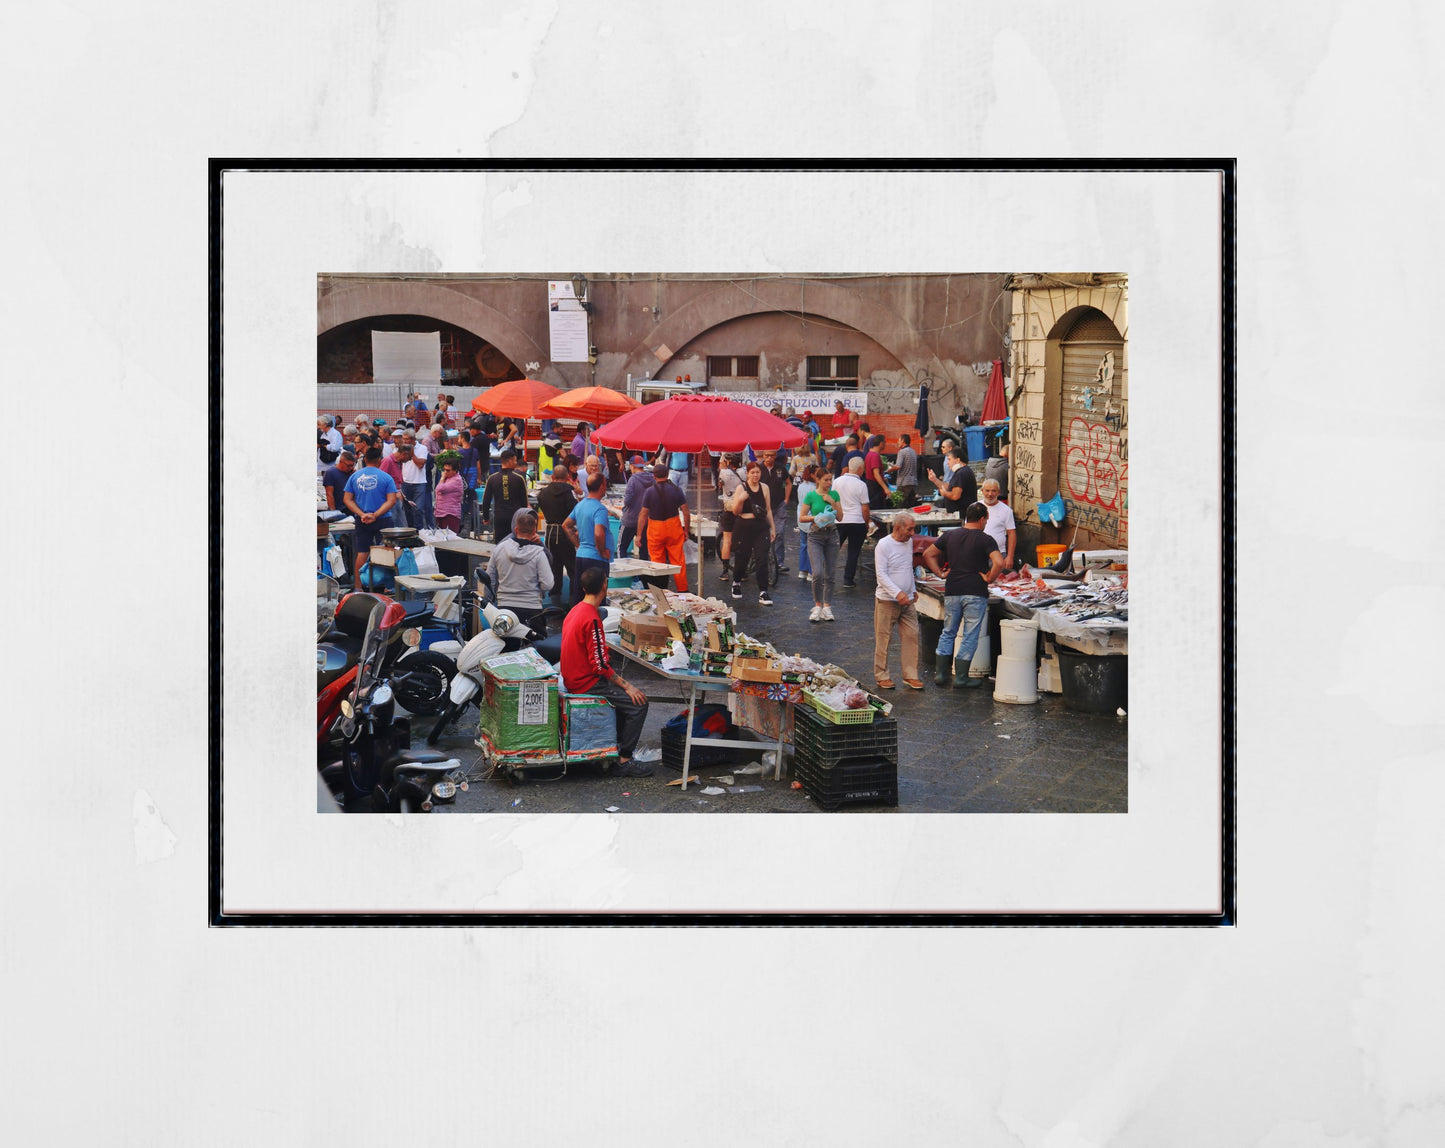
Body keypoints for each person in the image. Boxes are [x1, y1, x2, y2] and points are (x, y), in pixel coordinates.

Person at [560, 565, 652, 777]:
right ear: (604, 585)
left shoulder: (575, 610)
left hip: (573, 677)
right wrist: (628, 686)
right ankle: (624, 760)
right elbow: (600, 665)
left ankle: (614, 749)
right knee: (639, 703)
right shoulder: (592, 618)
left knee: (623, 698)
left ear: (583, 588)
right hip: (585, 683)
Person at [922, 501, 1006, 687]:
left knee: (948, 631)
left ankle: (941, 675)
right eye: (986, 520)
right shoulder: (986, 539)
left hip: (953, 589)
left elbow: (928, 554)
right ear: (982, 519)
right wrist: (990, 578)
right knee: (970, 634)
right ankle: (961, 677)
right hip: (976, 591)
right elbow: (999, 562)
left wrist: (940, 573)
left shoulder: (950, 535)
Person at [872, 512, 924, 690]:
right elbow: (881, 574)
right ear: (897, 528)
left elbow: (907, 567)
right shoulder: (884, 545)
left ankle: (910, 675)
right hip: (887, 600)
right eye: (909, 529)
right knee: (883, 638)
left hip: (907, 599)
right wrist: (897, 593)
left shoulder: (908, 542)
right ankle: (882, 675)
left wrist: (913, 589)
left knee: (912, 635)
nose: (912, 532)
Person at [485, 509, 555, 636]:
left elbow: (490, 578)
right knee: (537, 648)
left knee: (506, 648)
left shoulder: (500, 548)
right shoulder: (539, 553)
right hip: (532, 610)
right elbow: (548, 584)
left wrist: (491, 600)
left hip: (505, 608)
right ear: (534, 531)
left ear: (516, 529)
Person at [638, 462, 691, 592]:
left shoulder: (649, 492)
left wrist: (639, 535)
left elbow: (643, 515)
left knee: (657, 561)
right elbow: (686, 511)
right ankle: (683, 591)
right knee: (678, 560)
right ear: (667, 475)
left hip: (655, 529)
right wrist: (686, 530)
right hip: (673, 527)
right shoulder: (677, 490)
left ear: (654, 476)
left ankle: (661, 590)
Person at [728, 459, 775, 605]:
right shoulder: (741, 488)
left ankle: (763, 591)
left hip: (761, 526)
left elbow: (768, 509)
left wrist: (772, 527)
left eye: (758, 472)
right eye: (753, 472)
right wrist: (741, 500)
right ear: (747, 474)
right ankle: (736, 582)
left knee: (762, 558)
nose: (755, 475)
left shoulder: (765, 488)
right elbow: (735, 511)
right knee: (743, 557)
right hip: (744, 526)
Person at [342, 446, 400, 562]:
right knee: (386, 552)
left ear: (365, 460)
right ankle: (383, 580)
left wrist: (362, 514)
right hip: (383, 519)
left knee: (362, 553)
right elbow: (391, 500)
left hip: (362, 519)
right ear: (379, 460)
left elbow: (347, 499)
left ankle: (359, 581)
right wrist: (375, 515)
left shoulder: (354, 476)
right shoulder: (386, 478)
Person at [563, 472, 612, 606]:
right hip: (596, 559)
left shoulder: (580, 505)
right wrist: (602, 551)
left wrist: (579, 545)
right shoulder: (599, 509)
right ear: (602, 487)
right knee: (597, 600)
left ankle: (578, 624)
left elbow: (566, 526)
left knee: (580, 597)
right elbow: (598, 533)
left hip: (581, 556)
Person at [799, 468, 841, 621]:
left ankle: (827, 607)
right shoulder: (811, 495)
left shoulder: (834, 494)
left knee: (830, 574)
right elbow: (802, 517)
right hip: (815, 535)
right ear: (818, 480)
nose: (829, 483)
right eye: (826, 480)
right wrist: (816, 517)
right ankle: (817, 606)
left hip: (832, 535)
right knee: (817, 573)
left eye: (831, 479)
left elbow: (841, 517)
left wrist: (832, 503)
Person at [537, 461, 579, 605]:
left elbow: (539, 502)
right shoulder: (569, 492)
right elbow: (576, 510)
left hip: (549, 533)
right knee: (572, 567)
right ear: (567, 477)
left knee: (554, 566)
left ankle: (555, 597)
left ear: (553, 477)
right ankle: (573, 599)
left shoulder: (543, 492)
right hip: (566, 533)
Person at [833, 456, 871, 588]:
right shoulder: (861, 485)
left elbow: (833, 501)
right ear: (860, 469)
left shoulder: (836, 481)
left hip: (839, 520)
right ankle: (848, 580)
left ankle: (827, 576)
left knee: (833, 549)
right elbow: (865, 507)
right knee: (853, 552)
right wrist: (866, 523)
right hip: (856, 521)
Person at [481, 448, 530, 543]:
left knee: (500, 544)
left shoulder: (492, 478)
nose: (516, 463)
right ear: (510, 460)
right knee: (516, 544)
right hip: (516, 518)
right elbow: (524, 502)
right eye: (515, 460)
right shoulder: (519, 478)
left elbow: (486, 500)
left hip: (500, 517)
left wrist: (486, 518)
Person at [760, 449, 791, 573]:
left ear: (775, 456)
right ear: (763, 456)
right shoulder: (759, 469)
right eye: (767, 455)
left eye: (772, 456)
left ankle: (779, 561)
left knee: (779, 533)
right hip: (763, 507)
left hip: (779, 505)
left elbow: (788, 483)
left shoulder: (780, 468)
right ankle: (764, 559)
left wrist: (786, 499)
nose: (769, 458)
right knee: (764, 534)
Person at [715, 452, 744, 582]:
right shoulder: (745, 471)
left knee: (727, 540)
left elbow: (720, 484)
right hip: (742, 510)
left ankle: (725, 572)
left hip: (728, 509)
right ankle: (742, 572)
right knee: (742, 541)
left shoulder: (724, 473)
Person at [396, 429, 432, 529]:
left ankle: (419, 531)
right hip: (405, 482)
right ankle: (409, 530)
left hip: (419, 483)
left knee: (418, 509)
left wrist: (412, 454)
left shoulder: (422, 448)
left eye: (407, 439)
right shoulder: (401, 448)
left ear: (413, 439)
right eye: (404, 439)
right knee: (406, 509)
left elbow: (420, 464)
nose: (405, 441)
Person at [618, 455, 652, 559]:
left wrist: (624, 506)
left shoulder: (632, 480)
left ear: (632, 466)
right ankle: (643, 575)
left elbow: (628, 500)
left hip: (630, 519)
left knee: (622, 547)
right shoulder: (652, 479)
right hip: (645, 521)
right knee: (644, 551)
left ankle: (623, 572)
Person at [980, 479, 1017, 569]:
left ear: (998, 492)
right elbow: (968, 529)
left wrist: (1010, 557)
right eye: (987, 490)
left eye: (993, 491)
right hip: (978, 554)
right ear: (982, 491)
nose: (990, 494)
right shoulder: (974, 507)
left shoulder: (1006, 510)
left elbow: (1012, 534)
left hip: (999, 554)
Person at [794, 463, 817, 583]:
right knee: (813, 546)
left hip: (800, 517)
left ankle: (802, 571)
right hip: (810, 518)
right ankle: (811, 572)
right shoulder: (814, 488)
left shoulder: (801, 486)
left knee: (804, 544)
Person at [433, 456, 464, 532]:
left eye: (448, 470)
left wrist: (442, 478)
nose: (445, 472)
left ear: (455, 470)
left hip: (450, 513)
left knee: (450, 538)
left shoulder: (456, 480)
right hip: (440, 512)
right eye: (444, 470)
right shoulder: (448, 478)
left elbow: (439, 489)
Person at [890, 433, 919, 507]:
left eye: (899, 440)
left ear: (903, 441)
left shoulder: (902, 452)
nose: (897, 442)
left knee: (900, 505)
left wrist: (888, 470)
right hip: (913, 482)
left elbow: (898, 466)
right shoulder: (913, 451)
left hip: (904, 483)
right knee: (910, 504)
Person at [863, 433, 892, 507]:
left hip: (870, 484)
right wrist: (885, 488)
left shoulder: (869, 454)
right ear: (881, 443)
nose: (885, 445)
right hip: (875, 487)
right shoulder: (875, 456)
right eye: (884, 442)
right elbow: (876, 474)